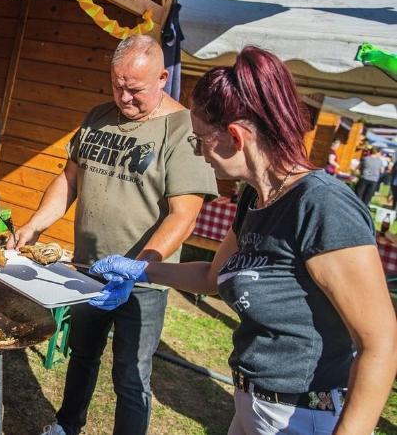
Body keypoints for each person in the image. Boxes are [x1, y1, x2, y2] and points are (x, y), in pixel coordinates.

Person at [89, 46, 397, 435]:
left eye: (200, 140)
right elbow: (212, 278)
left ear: (235, 136)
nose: (201, 154)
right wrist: (142, 269)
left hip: (302, 417)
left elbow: (381, 344)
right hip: (253, 405)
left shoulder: (322, 205)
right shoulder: (255, 197)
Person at [11, 35, 218, 435]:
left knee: (130, 373)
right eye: (117, 84)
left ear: (162, 77)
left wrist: (141, 266)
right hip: (88, 269)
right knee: (82, 355)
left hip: (144, 280)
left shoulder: (182, 131)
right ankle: (67, 425)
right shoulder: (98, 116)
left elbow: (184, 215)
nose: (124, 97)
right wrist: (36, 223)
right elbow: (69, 180)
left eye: (135, 89)